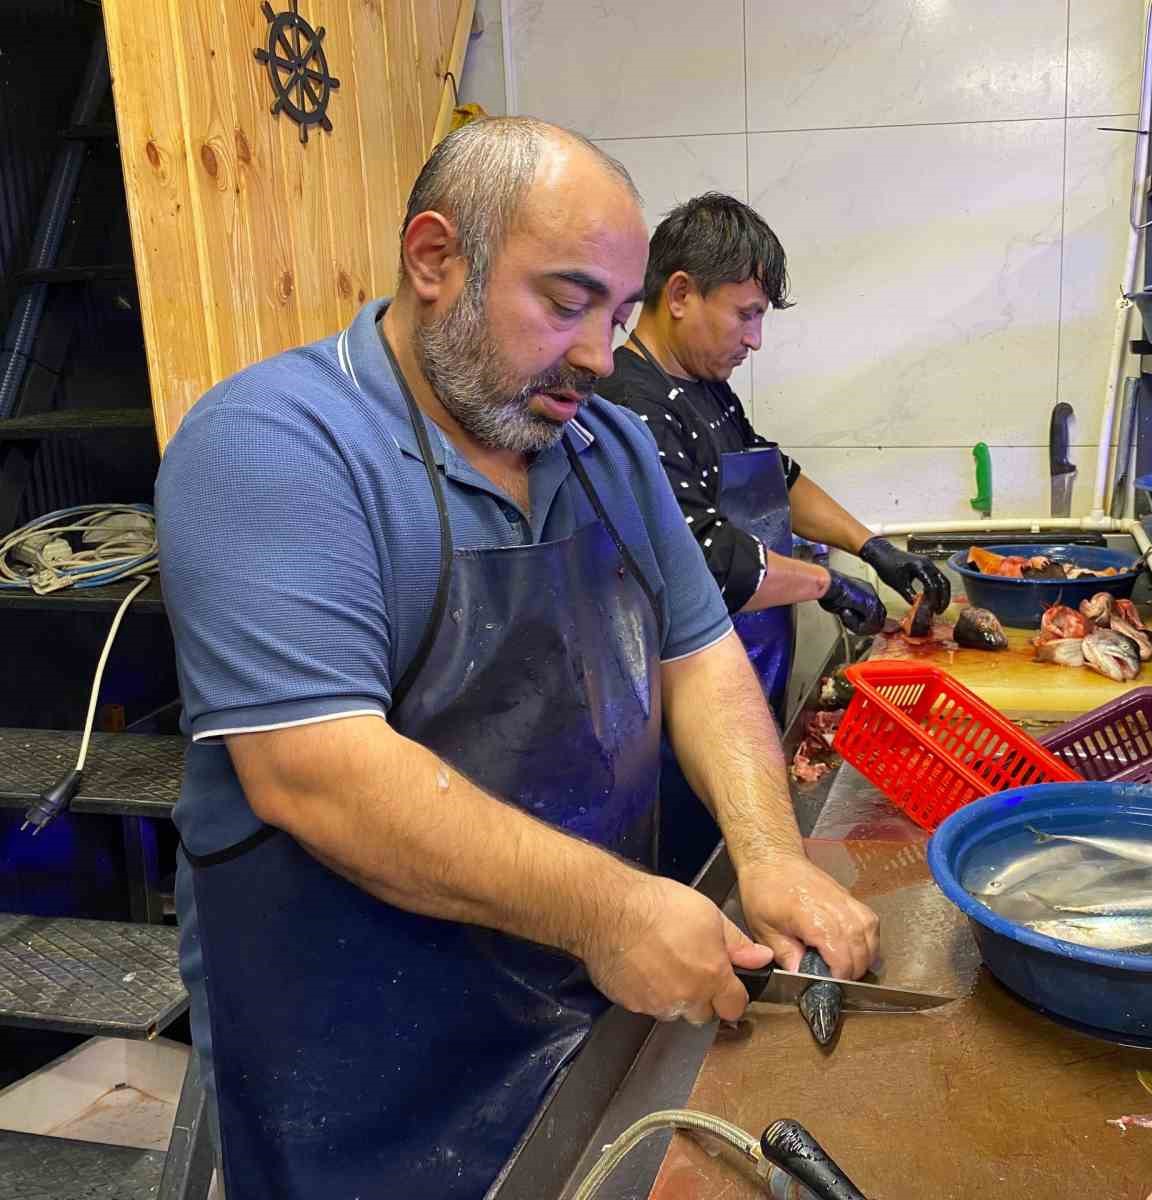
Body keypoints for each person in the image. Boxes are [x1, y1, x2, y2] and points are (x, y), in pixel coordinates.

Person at [154, 119, 878, 1200]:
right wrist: (617, 911)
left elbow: (702, 654)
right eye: (567, 300)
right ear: (435, 258)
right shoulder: (275, 444)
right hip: (362, 1058)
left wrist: (767, 852)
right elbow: (316, 768)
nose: (599, 353)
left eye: (620, 314)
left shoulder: (605, 445)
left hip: (576, 1005)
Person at [596, 193, 950, 877]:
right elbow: (710, 563)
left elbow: (777, 476)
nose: (755, 340)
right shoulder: (629, 405)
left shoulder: (705, 386)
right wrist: (825, 582)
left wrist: (870, 546)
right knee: (702, 876)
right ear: (678, 294)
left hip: (750, 685)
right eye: (746, 314)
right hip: (677, 725)